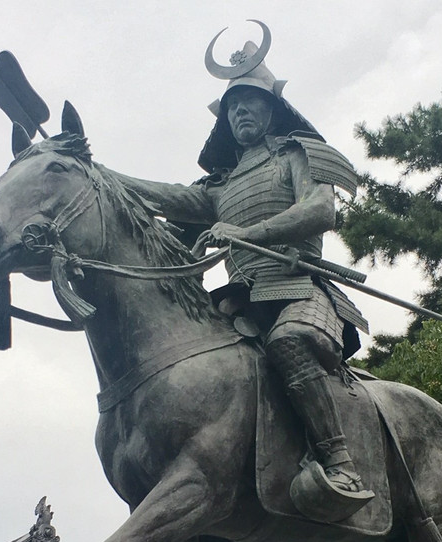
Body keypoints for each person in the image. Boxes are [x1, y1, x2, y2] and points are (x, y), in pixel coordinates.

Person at [111, 32, 373, 517]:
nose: (240, 113)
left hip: (298, 288)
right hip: (240, 301)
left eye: (249, 101)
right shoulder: (220, 185)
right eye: (233, 107)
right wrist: (101, 175)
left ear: (272, 108)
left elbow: (320, 210)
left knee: (288, 342)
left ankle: (341, 464)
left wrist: (248, 230)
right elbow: (165, 195)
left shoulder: (296, 155)